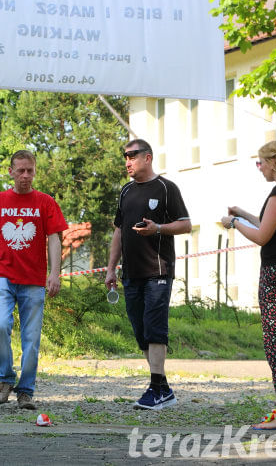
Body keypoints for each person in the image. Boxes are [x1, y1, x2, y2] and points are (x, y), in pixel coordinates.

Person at [221, 140, 276, 430]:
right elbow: (270, 224)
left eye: (260, 163)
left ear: (274, 162)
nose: (260, 169)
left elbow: (262, 237)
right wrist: (244, 214)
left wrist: (233, 223)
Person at [105, 139, 191, 411]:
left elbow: (186, 225)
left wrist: (158, 229)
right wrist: (111, 268)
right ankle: (162, 389)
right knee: (141, 330)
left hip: (158, 271)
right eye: (125, 156)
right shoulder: (126, 191)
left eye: (132, 155)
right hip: (131, 273)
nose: (127, 161)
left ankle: (156, 387)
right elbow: (119, 230)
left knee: (154, 328)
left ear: (148, 157)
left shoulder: (166, 188)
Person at [0, 149, 68, 410]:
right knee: (0, 326)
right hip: (3, 277)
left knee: (31, 338)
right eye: (21, 170)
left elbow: (54, 238)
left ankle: (26, 390)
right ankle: (5, 378)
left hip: (34, 280)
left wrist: (54, 273)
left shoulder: (45, 203)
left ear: (35, 171)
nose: (26, 176)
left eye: (30, 170)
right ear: (11, 171)